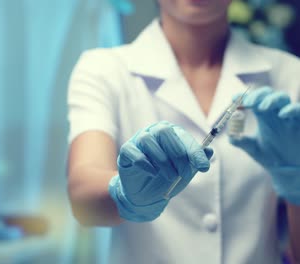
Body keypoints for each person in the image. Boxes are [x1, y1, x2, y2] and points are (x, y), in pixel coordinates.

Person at [67, 0, 300, 263]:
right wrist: (127, 195)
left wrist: (296, 183)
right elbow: (82, 199)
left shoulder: (290, 75)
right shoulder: (104, 69)